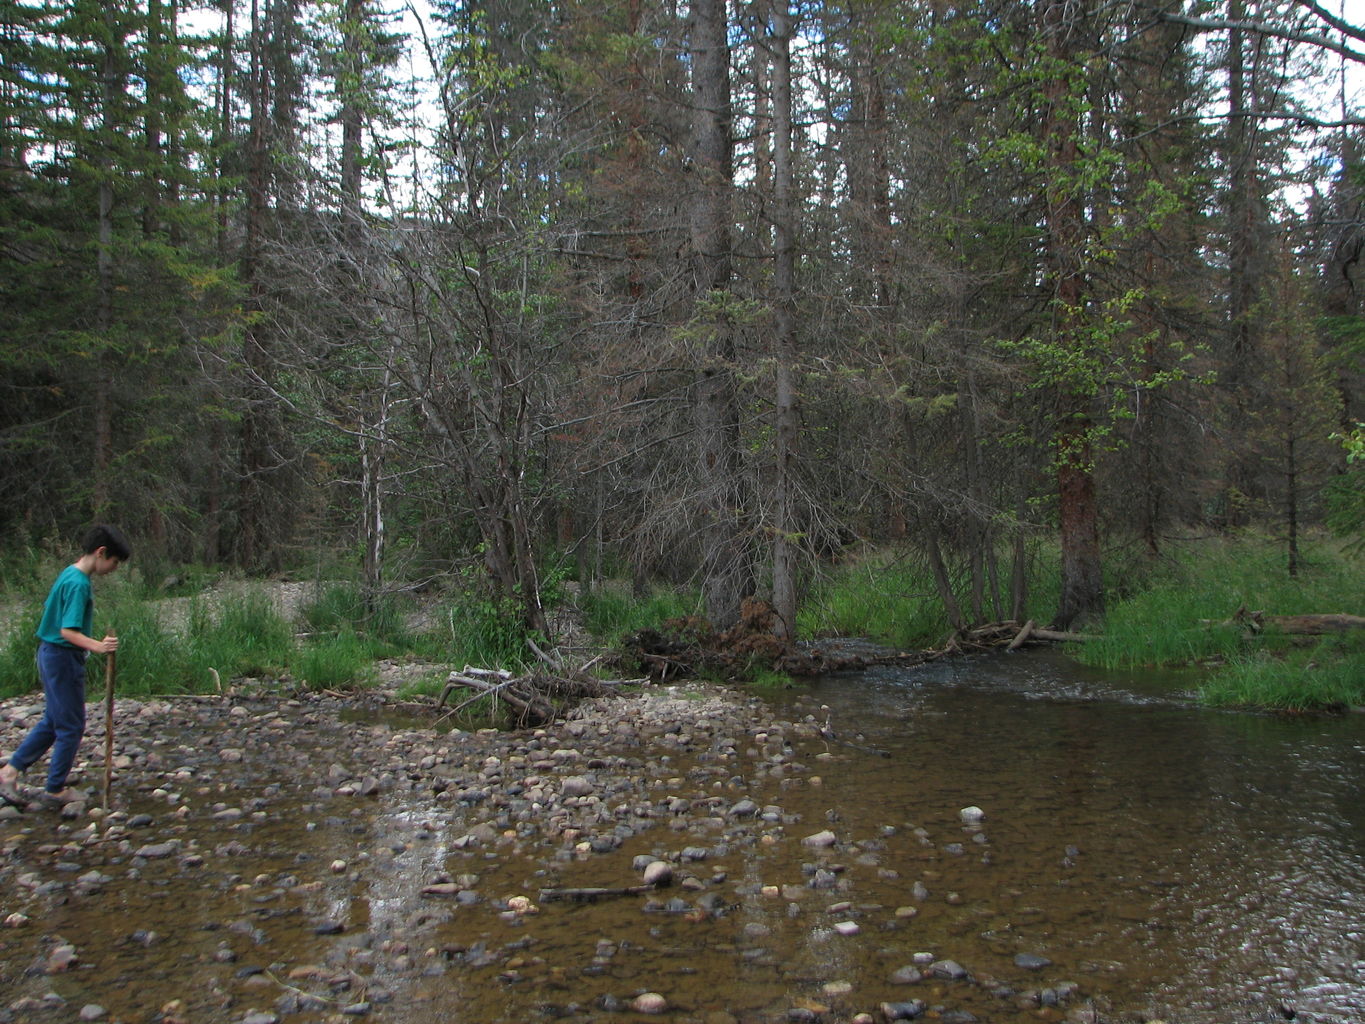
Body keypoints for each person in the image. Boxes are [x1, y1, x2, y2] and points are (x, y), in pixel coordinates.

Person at [0, 524, 130, 809]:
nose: (114, 569)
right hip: (61, 657)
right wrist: (99, 646)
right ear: (101, 553)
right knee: (71, 726)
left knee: (53, 720)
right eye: (114, 562)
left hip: (50, 655)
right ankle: (55, 789)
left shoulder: (68, 573)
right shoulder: (78, 583)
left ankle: (9, 772)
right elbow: (67, 631)